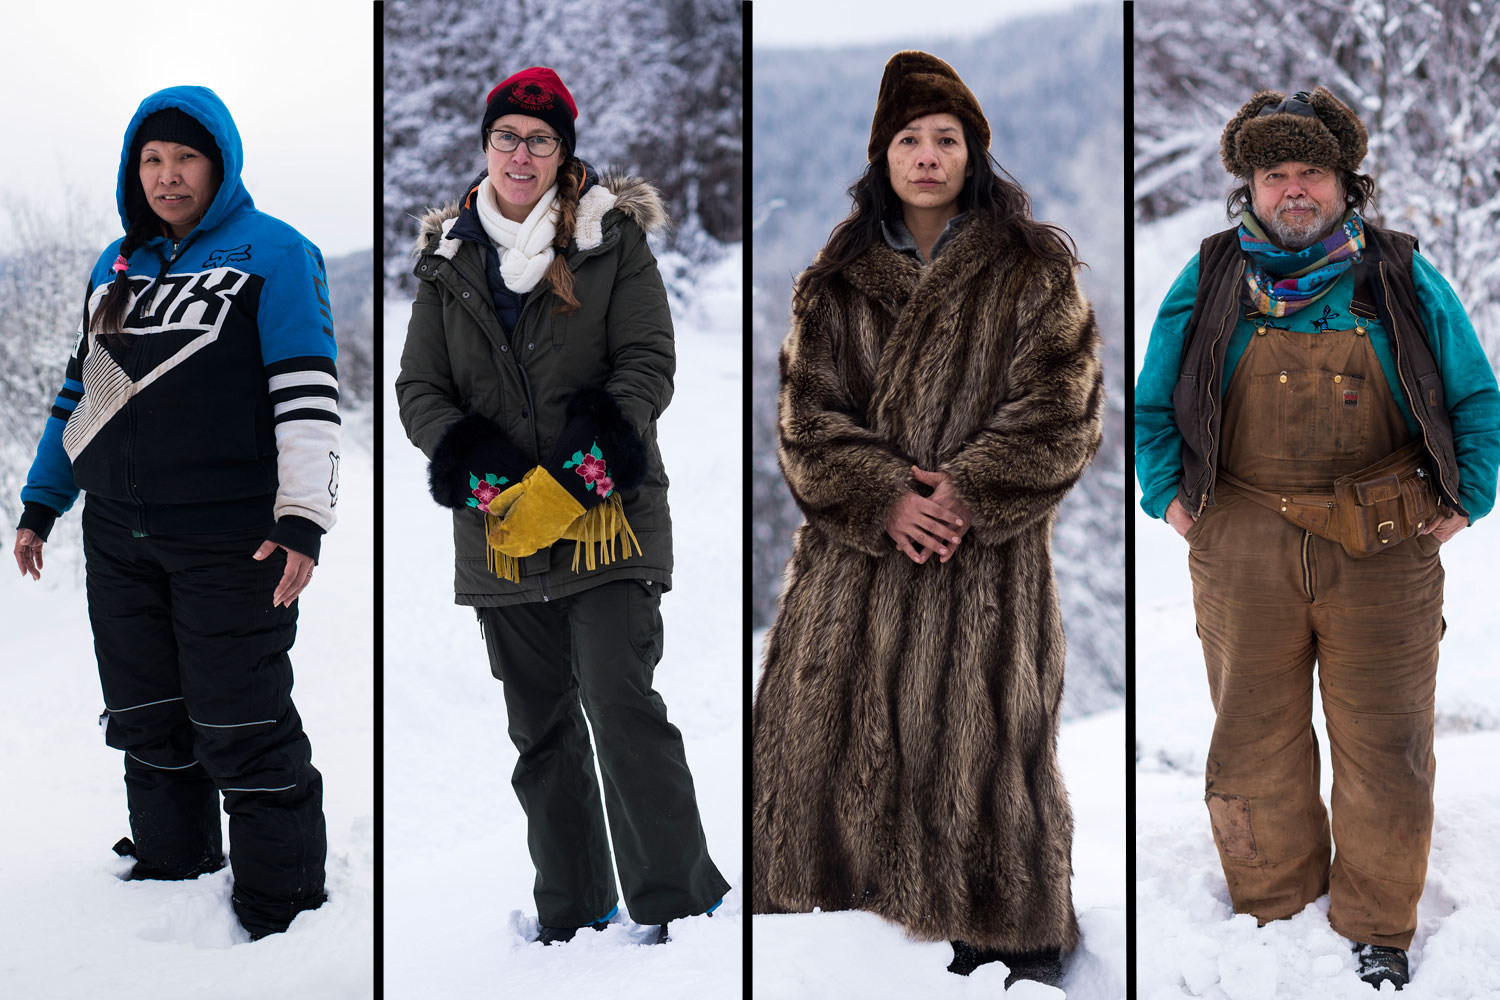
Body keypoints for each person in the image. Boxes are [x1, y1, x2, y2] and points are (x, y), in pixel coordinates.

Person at [1135, 87, 1500, 991]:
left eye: (1312, 172)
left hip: (1384, 542)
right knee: (1253, 737)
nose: (1294, 189)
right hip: (1241, 537)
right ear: (1248, 188)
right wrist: (1172, 501)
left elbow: (1476, 396)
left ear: (1345, 183)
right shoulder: (1211, 276)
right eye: (1275, 174)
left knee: (1387, 742)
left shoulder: (1403, 276)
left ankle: (1379, 923)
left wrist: (1471, 495)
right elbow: (1151, 401)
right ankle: (1272, 907)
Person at [750, 51, 1104, 985]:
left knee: (985, 753)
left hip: (983, 566)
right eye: (909, 139)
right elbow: (804, 417)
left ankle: (1003, 939)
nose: (928, 155)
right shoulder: (833, 280)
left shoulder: (1034, 269)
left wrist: (965, 493)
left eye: (946, 139)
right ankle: (839, 938)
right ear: (883, 156)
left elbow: (1065, 403)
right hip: (855, 567)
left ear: (974, 154)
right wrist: (885, 497)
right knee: (831, 743)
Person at [396, 66, 728, 945]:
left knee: (619, 702)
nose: (521, 153)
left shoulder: (610, 241)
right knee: (540, 730)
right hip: (503, 531)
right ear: (485, 145)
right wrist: (480, 470)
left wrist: (592, 463)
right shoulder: (446, 259)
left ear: (563, 152)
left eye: (540, 139)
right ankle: (576, 912)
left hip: (605, 514)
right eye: (507, 135)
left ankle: (684, 904)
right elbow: (418, 390)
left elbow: (648, 359)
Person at [11, 85, 339, 939]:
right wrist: (44, 502)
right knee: (145, 710)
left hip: (233, 537)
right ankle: (172, 864)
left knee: (241, 718)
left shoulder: (276, 253)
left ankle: (282, 906)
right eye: (151, 160)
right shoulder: (115, 266)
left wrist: (302, 517)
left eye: (183, 157)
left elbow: (306, 393)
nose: (166, 176)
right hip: (119, 534)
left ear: (219, 163)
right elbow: (86, 393)